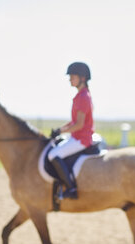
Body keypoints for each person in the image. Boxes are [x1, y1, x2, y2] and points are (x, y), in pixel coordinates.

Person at [49, 62, 95, 199]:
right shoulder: (80, 96)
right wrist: (60, 129)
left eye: (72, 76)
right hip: (76, 136)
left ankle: (71, 188)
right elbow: (73, 122)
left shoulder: (83, 97)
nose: (69, 79)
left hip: (82, 139)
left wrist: (62, 132)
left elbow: (79, 125)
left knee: (53, 155)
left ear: (82, 78)